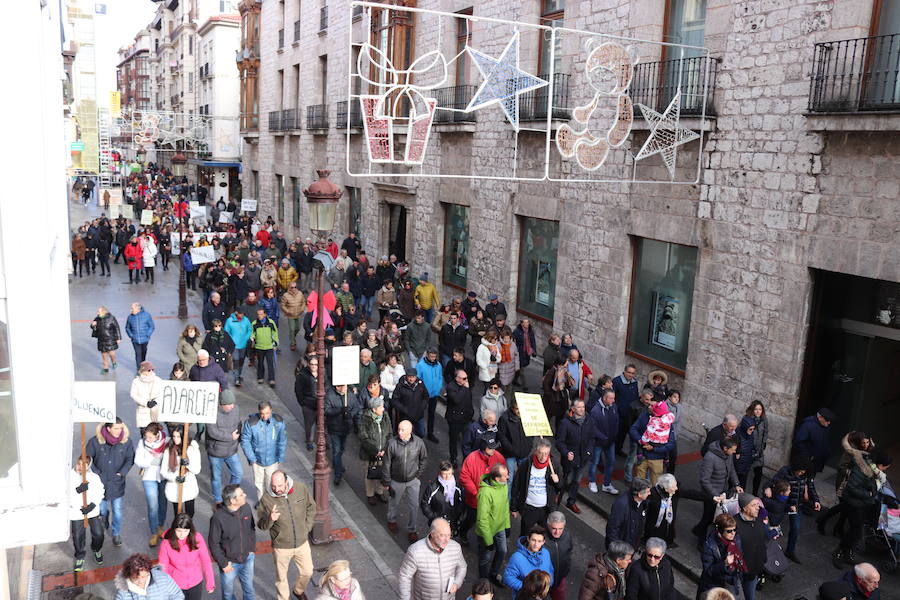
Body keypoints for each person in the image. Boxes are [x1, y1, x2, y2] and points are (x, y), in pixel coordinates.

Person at [257, 471, 316, 600]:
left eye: (279, 485)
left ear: (286, 482)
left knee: (308, 571)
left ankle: (298, 591)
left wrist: (307, 528)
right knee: (281, 578)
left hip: (302, 542)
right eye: (273, 486)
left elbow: (311, 507)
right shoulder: (266, 499)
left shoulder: (300, 488)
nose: (276, 489)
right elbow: (261, 525)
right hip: (281, 546)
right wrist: (270, 518)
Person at [833, 450, 892, 567]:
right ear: (881, 465)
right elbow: (852, 487)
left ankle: (847, 552)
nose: (885, 470)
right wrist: (869, 494)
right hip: (855, 503)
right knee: (856, 530)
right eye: (886, 467)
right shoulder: (863, 469)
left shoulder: (876, 473)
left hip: (864, 504)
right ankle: (839, 552)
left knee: (855, 530)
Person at [86, 418, 134, 547]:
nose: (119, 431)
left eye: (120, 428)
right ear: (108, 429)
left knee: (117, 511)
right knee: (102, 510)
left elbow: (130, 459)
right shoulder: (95, 441)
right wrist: (97, 474)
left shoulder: (126, 442)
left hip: (117, 483)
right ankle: (104, 520)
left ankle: (116, 533)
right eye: (116, 428)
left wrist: (122, 472)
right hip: (100, 484)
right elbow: (87, 459)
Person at [763, 457, 819, 563]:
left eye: (803, 472)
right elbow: (771, 482)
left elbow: (811, 486)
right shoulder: (785, 471)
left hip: (796, 505)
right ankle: (767, 550)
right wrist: (767, 487)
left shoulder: (806, 474)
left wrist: (816, 500)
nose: (800, 473)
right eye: (800, 471)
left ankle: (790, 551)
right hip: (783, 503)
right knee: (773, 526)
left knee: (795, 528)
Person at [398, 518, 467, 600]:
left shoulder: (455, 547)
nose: (447, 540)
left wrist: (457, 583)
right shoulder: (415, 551)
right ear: (432, 534)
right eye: (442, 535)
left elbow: (462, 567)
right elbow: (404, 577)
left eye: (449, 535)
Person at [383, 420, 429, 542]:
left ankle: (412, 529)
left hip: (412, 481)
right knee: (394, 503)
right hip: (396, 480)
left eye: (402, 430)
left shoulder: (418, 443)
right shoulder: (392, 443)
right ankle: (391, 520)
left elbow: (423, 459)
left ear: (410, 431)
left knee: (414, 506)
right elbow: (386, 464)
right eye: (398, 429)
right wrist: (387, 482)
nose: (399, 432)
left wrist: (417, 475)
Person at [209, 485, 256, 600]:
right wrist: (223, 563)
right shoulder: (218, 518)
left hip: (247, 558)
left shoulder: (246, 508)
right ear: (232, 501)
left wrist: (251, 550)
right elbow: (213, 543)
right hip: (229, 563)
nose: (245, 495)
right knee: (228, 595)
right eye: (241, 495)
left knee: (249, 591)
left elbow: (251, 529)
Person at [693, 437, 742, 546]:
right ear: (725, 448)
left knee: (715, 518)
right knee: (708, 517)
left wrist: (736, 484)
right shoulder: (710, 458)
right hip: (711, 495)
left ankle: (698, 531)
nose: (734, 452)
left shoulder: (728, 456)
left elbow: (732, 469)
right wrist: (714, 495)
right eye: (733, 449)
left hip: (722, 492)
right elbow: (704, 480)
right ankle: (701, 542)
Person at [157, 513, 216, 600]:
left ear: (190, 530)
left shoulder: (197, 538)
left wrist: (210, 582)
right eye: (179, 531)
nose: (182, 534)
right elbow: (163, 567)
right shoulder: (166, 543)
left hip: (195, 582)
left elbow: (206, 560)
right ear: (174, 529)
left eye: (185, 531)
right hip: (175, 584)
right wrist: (164, 588)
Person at [510, 439, 561, 537]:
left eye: (546, 454)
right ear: (536, 452)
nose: (543, 457)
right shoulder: (526, 464)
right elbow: (516, 485)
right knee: (525, 536)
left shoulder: (554, 465)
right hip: (529, 508)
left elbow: (560, 488)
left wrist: (557, 481)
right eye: (541, 453)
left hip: (546, 509)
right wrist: (514, 507)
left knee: (543, 536)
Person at [240, 401, 287, 500]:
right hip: (257, 461)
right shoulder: (251, 423)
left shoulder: (278, 422)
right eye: (262, 413)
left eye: (267, 413)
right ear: (259, 412)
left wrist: (281, 456)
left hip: (273, 460)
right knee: (259, 484)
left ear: (271, 411)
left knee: (272, 483)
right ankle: (262, 502)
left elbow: (282, 440)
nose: (264, 416)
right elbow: (245, 441)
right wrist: (252, 458)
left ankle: (271, 502)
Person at [555, 399, 595, 513]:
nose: (582, 409)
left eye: (583, 407)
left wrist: (589, 452)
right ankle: (557, 495)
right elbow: (559, 442)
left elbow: (592, 438)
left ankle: (571, 502)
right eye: (579, 407)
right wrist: (566, 452)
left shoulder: (589, 421)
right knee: (565, 480)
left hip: (583, 458)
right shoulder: (565, 423)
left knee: (576, 481)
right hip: (569, 459)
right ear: (573, 409)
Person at [134, 423, 169, 547]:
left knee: (163, 503)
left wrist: (160, 459)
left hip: (163, 476)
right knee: (153, 505)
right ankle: (154, 532)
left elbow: (169, 458)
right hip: (149, 477)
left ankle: (160, 526)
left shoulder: (166, 441)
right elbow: (138, 460)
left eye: (149, 437)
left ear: (156, 435)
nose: (147, 439)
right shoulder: (142, 443)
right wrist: (153, 460)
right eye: (146, 436)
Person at [206, 390, 243, 508]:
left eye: (233, 403)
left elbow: (239, 423)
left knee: (238, 473)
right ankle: (217, 500)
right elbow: (212, 432)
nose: (232, 406)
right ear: (222, 404)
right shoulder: (211, 412)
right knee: (216, 477)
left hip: (231, 450)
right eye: (229, 404)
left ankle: (229, 495)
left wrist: (238, 437)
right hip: (216, 452)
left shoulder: (236, 409)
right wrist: (230, 437)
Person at [475, 463, 511, 585]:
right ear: (497, 478)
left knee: (502, 551)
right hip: (487, 532)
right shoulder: (485, 493)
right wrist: (489, 540)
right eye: (505, 475)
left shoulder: (503, 485)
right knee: (485, 559)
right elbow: (482, 520)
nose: (508, 477)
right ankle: (484, 582)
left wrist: (507, 525)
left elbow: (505, 505)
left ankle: (493, 574)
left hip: (500, 527)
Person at [629, 396, 676, 485]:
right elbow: (633, 429)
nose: (649, 407)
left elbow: (671, 444)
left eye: (653, 406)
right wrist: (640, 440)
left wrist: (654, 449)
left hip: (657, 459)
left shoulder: (666, 423)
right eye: (649, 405)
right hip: (642, 456)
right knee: (638, 483)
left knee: (656, 485)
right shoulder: (644, 416)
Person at [69, 456, 105, 572]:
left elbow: (100, 491)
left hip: (92, 511)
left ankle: (96, 549)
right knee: (78, 536)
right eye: (79, 464)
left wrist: (93, 505)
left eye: (84, 466)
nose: (80, 468)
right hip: (77, 512)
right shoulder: (69, 477)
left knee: (98, 533)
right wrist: (77, 490)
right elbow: (65, 493)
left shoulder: (94, 477)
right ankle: (80, 555)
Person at [697, 514, 746, 599]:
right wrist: (724, 564)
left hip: (732, 582)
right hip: (714, 585)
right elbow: (708, 570)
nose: (733, 533)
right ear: (720, 531)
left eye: (735, 530)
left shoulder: (736, 539)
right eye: (729, 531)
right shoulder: (709, 545)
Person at [503, 525, 554, 599]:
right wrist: (529, 588)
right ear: (528, 539)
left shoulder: (546, 553)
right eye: (533, 540)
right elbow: (508, 578)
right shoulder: (517, 557)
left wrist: (547, 585)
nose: (536, 544)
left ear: (543, 542)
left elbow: (550, 570)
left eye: (539, 541)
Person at [160, 426, 201, 517]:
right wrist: (175, 478)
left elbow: (197, 470)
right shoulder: (169, 449)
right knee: (178, 514)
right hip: (174, 486)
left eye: (178, 437)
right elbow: (163, 470)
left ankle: (188, 529)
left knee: (190, 513)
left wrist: (187, 463)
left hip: (189, 485)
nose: (175, 439)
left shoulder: (192, 448)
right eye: (174, 436)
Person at [732, 494, 767, 600]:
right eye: (754, 505)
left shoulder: (759, 522)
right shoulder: (734, 524)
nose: (758, 507)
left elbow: (762, 542)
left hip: (753, 571)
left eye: (758, 504)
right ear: (745, 508)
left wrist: (763, 560)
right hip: (738, 573)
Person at [359, 396, 392, 505]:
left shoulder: (385, 416)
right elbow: (364, 437)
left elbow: (389, 434)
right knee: (370, 474)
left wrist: (384, 449)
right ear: (374, 409)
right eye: (381, 407)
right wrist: (375, 450)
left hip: (383, 452)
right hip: (370, 453)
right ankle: (370, 494)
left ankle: (379, 491)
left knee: (382, 472)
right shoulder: (365, 419)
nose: (383, 408)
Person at [325, 383, 359, 486]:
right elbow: (327, 410)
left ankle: (337, 464)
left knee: (342, 449)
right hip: (334, 428)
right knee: (337, 450)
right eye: (342, 387)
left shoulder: (350, 395)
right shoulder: (330, 396)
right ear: (337, 387)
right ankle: (338, 473)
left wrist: (350, 414)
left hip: (345, 427)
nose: (345, 388)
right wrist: (339, 410)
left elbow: (356, 407)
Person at [499, 397, 536, 490]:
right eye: (517, 409)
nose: (519, 411)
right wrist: (511, 449)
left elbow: (531, 432)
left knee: (522, 478)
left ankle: (518, 499)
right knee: (509, 479)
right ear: (512, 407)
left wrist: (528, 446)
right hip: (510, 454)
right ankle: (507, 501)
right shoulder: (504, 418)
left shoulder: (528, 416)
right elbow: (502, 437)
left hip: (524, 452)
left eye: (521, 408)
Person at [420, 460, 465, 536]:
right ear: (440, 473)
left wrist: (458, 515)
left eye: (449, 474)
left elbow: (461, 502)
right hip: (437, 522)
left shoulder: (457, 487)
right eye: (444, 474)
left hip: (452, 521)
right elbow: (424, 504)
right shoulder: (432, 488)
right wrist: (433, 517)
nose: (447, 477)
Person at [588, 389, 620, 494]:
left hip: (610, 441)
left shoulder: (613, 407)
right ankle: (591, 481)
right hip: (599, 442)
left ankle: (607, 484)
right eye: (611, 398)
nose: (613, 400)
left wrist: (613, 436)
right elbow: (593, 428)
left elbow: (616, 422)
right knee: (594, 462)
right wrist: (603, 437)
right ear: (604, 398)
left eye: (614, 398)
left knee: (611, 462)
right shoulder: (595, 411)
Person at [113, 554, 183, 600]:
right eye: (135, 578)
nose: (141, 581)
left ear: (149, 572)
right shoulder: (123, 594)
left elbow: (177, 595)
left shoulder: (163, 579)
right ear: (128, 576)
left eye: (143, 577)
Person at [606, 478, 651, 550]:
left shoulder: (643, 502)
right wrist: (617, 550)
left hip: (631, 545)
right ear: (639, 494)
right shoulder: (621, 505)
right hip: (621, 549)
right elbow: (613, 528)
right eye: (647, 492)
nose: (650, 493)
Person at [446, 368, 476, 466]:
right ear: (457, 378)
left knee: (466, 441)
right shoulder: (451, 387)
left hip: (466, 419)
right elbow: (456, 400)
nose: (466, 380)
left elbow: (469, 399)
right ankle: (453, 458)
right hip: (455, 419)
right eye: (463, 378)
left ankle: (466, 460)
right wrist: (465, 388)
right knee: (453, 440)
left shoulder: (465, 386)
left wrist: (471, 412)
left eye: (466, 378)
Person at [794, 408, 835, 477]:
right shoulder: (807, 425)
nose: (829, 423)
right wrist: (808, 456)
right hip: (807, 461)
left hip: (816, 461)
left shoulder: (825, 426)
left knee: (811, 478)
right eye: (827, 420)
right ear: (820, 418)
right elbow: (799, 441)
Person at [543, 513, 572, 600]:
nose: (557, 532)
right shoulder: (540, 538)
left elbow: (569, 552)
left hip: (560, 578)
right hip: (544, 580)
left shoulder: (567, 535)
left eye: (560, 529)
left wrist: (566, 570)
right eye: (554, 528)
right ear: (548, 525)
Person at [644, 473, 679, 546]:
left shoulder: (674, 492)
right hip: (653, 531)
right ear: (666, 488)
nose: (676, 488)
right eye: (674, 486)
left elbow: (690, 493)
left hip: (667, 531)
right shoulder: (652, 494)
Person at [394, 368, 429, 439]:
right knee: (405, 435)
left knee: (421, 433)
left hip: (418, 414)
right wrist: (404, 409)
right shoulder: (400, 386)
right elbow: (395, 400)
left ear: (416, 376)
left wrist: (422, 407)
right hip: (405, 416)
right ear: (406, 376)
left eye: (413, 377)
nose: (411, 379)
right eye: (409, 377)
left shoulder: (420, 384)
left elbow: (426, 396)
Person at [612, 364, 640, 453]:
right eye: (629, 372)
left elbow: (636, 397)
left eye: (632, 373)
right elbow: (612, 397)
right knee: (615, 433)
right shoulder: (616, 381)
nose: (630, 375)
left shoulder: (634, 382)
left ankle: (618, 449)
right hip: (618, 413)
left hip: (629, 414)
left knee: (623, 433)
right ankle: (611, 450)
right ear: (624, 371)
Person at [295, 357, 320, 451]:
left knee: (321, 424)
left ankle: (321, 441)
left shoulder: (322, 373)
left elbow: (327, 385)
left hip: (320, 404)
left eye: (316, 364)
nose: (314, 366)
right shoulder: (302, 375)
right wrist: (302, 402)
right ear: (309, 364)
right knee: (309, 424)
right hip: (308, 404)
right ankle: (309, 441)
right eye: (312, 364)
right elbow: (298, 390)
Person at [131, 361, 162, 435]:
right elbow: (133, 394)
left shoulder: (158, 380)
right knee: (144, 433)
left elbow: (163, 393)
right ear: (143, 371)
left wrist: (155, 401)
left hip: (155, 411)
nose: (151, 371)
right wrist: (145, 403)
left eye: (152, 369)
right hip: (143, 411)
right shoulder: (136, 381)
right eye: (148, 370)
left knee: (155, 434)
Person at [251, 307, 279, 387]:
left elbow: (275, 333)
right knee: (260, 363)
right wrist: (252, 337)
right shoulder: (254, 323)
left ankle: (272, 379)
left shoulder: (271, 323)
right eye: (258, 314)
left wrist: (275, 344)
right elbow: (252, 333)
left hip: (269, 346)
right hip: (259, 347)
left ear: (265, 314)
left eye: (261, 314)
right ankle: (260, 377)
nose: (259, 316)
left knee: (270, 364)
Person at [745, 401, 768, 495]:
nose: (758, 411)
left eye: (760, 409)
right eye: (756, 409)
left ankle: (755, 494)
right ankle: (741, 494)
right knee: (744, 474)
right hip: (748, 452)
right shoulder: (747, 420)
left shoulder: (764, 420)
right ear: (752, 410)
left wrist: (763, 444)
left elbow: (765, 432)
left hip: (759, 453)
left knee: (758, 474)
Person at [225, 308, 253, 386]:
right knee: (236, 361)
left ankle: (239, 375)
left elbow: (249, 329)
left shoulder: (246, 320)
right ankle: (236, 379)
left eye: (243, 314)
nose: (242, 315)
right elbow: (226, 332)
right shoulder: (229, 321)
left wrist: (246, 338)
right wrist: (231, 340)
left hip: (243, 345)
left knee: (241, 360)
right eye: (240, 314)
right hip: (234, 346)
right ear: (236, 313)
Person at [91, 306, 121, 374]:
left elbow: (117, 328)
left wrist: (118, 338)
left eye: (99, 311)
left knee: (111, 353)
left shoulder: (111, 318)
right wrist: (93, 325)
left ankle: (114, 362)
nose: (97, 313)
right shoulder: (97, 318)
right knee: (104, 355)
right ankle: (105, 368)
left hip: (110, 339)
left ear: (103, 312)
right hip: (101, 339)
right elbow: (92, 326)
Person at [125, 302, 156, 370]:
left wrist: (148, 334)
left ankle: (143, 365)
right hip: (135, 340)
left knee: (143, 353)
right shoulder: (130, 317)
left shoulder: (147, 315)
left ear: (138, 309)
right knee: (138, 354)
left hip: (145, 339)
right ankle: (139, 369)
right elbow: (127, 328)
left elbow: (151, 326)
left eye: (132, 308)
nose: (131, 310)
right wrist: (131, 335)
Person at [512, 319, 537, 388]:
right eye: (525, 322)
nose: (527, 324)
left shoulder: (530, 331)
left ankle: (515, 379)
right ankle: (524, 386)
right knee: (521, 368)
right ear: (522, 323)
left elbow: (533, 341)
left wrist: (534, 350)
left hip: (527, 352)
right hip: (519, 352)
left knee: (521, 367)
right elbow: (512, 339)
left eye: (527, 322)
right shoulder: (517, 331)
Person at [476, 330, 501, 395]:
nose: (496, 340)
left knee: (491, 389)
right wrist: (485, 367)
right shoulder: (482, 347)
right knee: (487, 388)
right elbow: (478, 359)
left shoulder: (495, 346)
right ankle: (485, 402)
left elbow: (499, 357)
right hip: (486, 371)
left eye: (496, 338)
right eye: (495, 338)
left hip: (493, 371)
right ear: (490, 338)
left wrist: (496, 360)